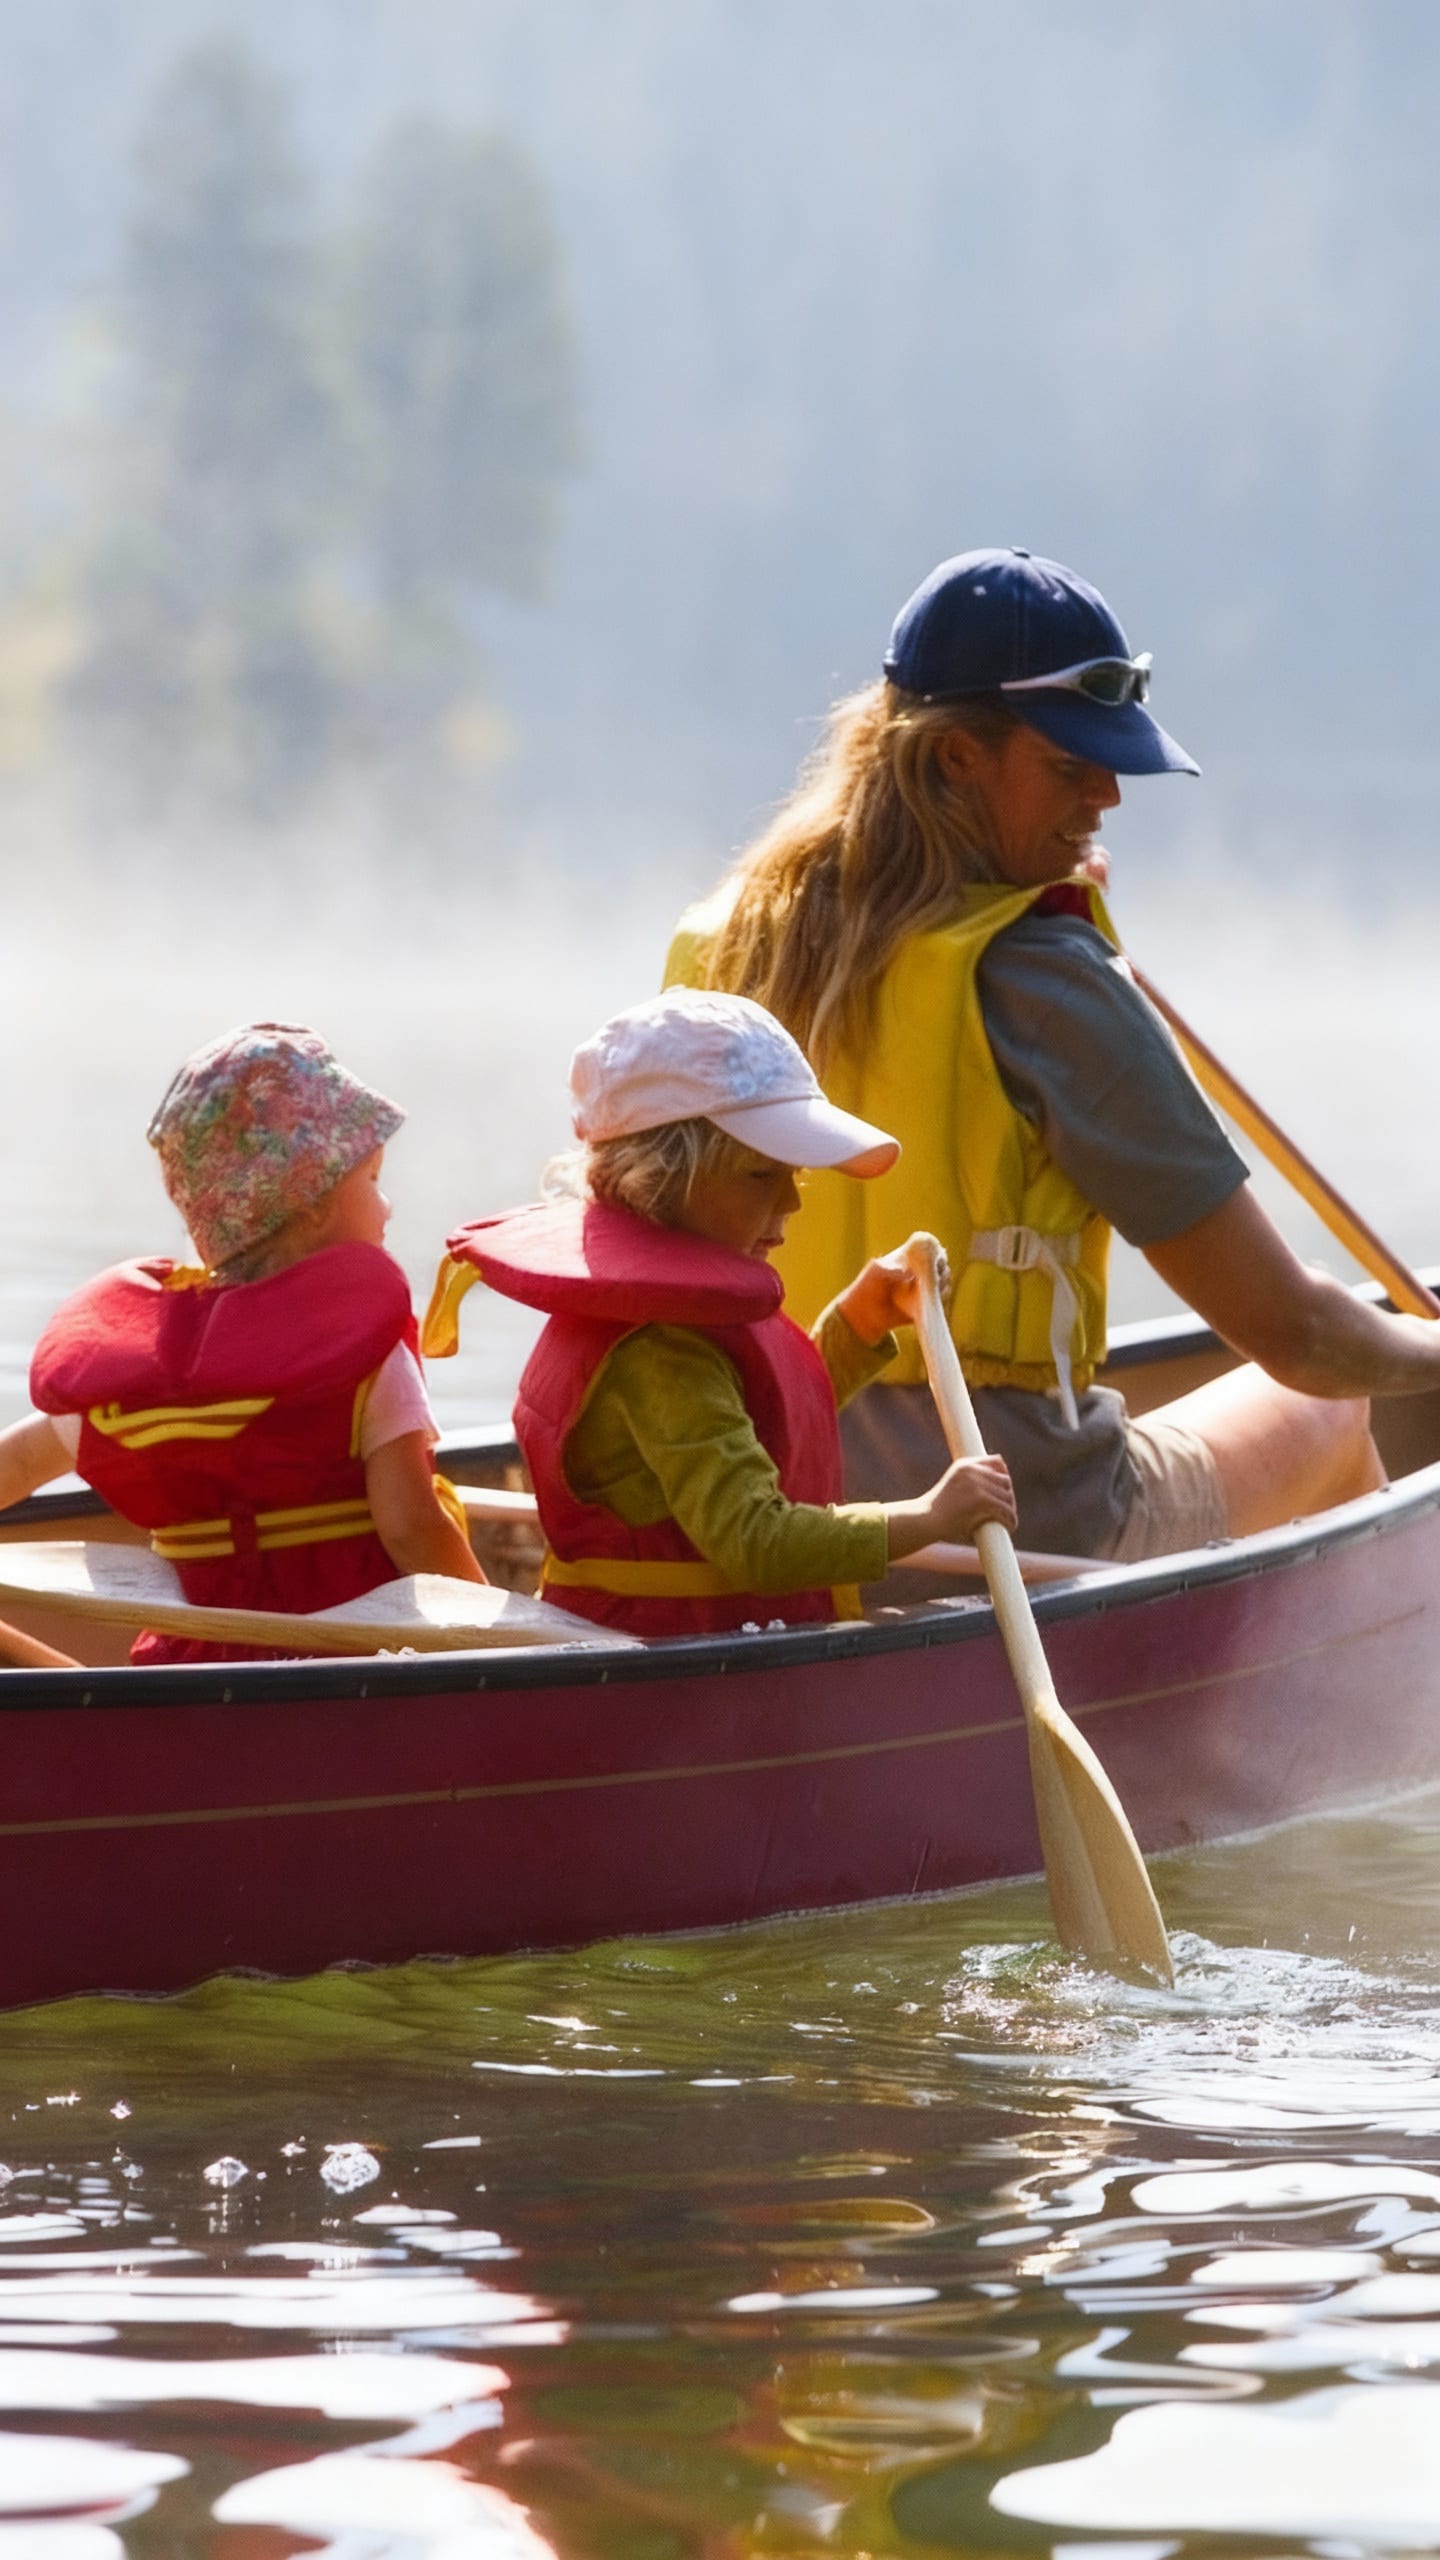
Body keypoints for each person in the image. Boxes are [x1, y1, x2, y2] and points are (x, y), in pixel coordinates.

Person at [663, 545, 1440, 1562]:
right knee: (1336, 1411)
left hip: (765, 1493)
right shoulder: (1048, 977)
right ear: (954, 760)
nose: (1108, 794)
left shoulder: (722, 945)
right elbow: (1295, 1332)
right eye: (1070, 765)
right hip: (1014, 1521)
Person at [422, 987, 1016, 1638]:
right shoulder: (660, 1348)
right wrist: (929, 1515)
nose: (791, 1200)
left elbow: (752, 1416)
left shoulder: (680, 1327)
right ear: (661, 1178)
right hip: (671, 1664)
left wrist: (859, 1325)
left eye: (792, 1173)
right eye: (760, 1176)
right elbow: (756, 1541)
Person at [0, 1022, 483, 1664]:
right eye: (372, 1181)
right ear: (313, 1207)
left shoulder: (138, 1380)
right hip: (347, 1672)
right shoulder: (363, 1355)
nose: (388, 1208)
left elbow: (19, 1465)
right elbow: (411, 1527)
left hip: (183, 1672)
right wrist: (499, 1639)